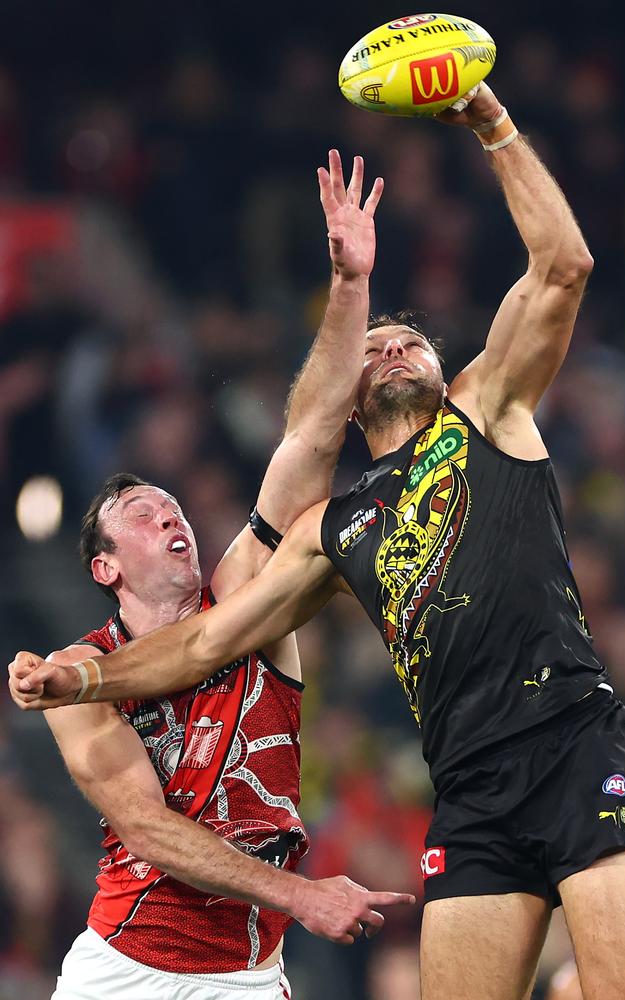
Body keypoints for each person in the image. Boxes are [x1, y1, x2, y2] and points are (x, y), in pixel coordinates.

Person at [10, 83, 625, 1000]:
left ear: (444, 368)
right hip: (468, 787)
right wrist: (84, 679)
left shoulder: (487, 411)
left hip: (575, 742)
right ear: (351, 400)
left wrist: (490, 124)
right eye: (376, 347)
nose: (393, 351)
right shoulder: (332, 526)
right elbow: (205, 640)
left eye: (412, 343)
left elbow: (564, 266)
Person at [9, 151, 415, 1000]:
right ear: (105, 566)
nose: (173, 517)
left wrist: (349, 285)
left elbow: (306, 438)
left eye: (175, 508)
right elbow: (151, 832)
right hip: (122, 965)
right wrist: (302, 893)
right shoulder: (71, 672)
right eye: (145, 514)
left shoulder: (247, 600)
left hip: (244, 974)